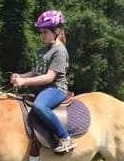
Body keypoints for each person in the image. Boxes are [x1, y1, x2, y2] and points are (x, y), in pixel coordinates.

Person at [10, 10, 75, 153]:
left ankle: (65, 138)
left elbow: (49, 77)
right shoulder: (42, 51)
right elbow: (34, 72)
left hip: (55, 89)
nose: (42, 35)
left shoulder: (60, 51)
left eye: (45, 32)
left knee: (39, 106)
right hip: (40, 89)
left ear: (57, 30)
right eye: (41, 32)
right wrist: (20, 76)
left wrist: (23, 82)